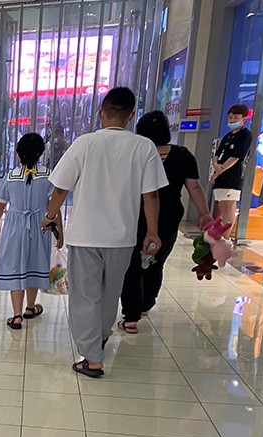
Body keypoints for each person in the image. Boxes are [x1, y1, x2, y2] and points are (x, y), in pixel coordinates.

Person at [43, 87, 168, 378]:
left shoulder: (84, 144)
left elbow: (60, 188)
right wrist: (152, 232)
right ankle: (98, 341)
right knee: (110, 294)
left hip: (85, 235)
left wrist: (50, 216)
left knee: (85, 296)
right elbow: (151, 195)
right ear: (131, 115)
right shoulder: (144, 147)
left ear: (101, 112)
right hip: (122, 237)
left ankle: (92, 357)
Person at [119, 111, 214, 333]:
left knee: (132, 264)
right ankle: (146, 304)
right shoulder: (183, 155)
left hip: (137, 214)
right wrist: (204, 213)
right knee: (156, 260)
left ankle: (131, 316)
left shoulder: (136, 153)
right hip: (169, 216)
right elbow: (194, 187)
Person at [0, 133, 63, 330]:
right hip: (41, 226)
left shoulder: (10, 177)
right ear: (41, 153)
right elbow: (54, 207)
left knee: (16, 267)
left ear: (18, 154)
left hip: (14, 227)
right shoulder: (48, 176)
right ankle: (30, 308)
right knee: (34, 264)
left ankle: (16, 316)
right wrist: (60, 232)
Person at [211, 104, 253, 240]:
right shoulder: (228, 136)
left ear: (243, 119)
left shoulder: (245, 135)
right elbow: (217, 153)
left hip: (232, 177)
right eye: (230, 117)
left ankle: (225, 237)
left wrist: (219, 170)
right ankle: (220, 234)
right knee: (221, 206)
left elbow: (236, 157)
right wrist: (216, 165)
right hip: (221, 176)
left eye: (236, 117)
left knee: (228, 206)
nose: (232, 120)